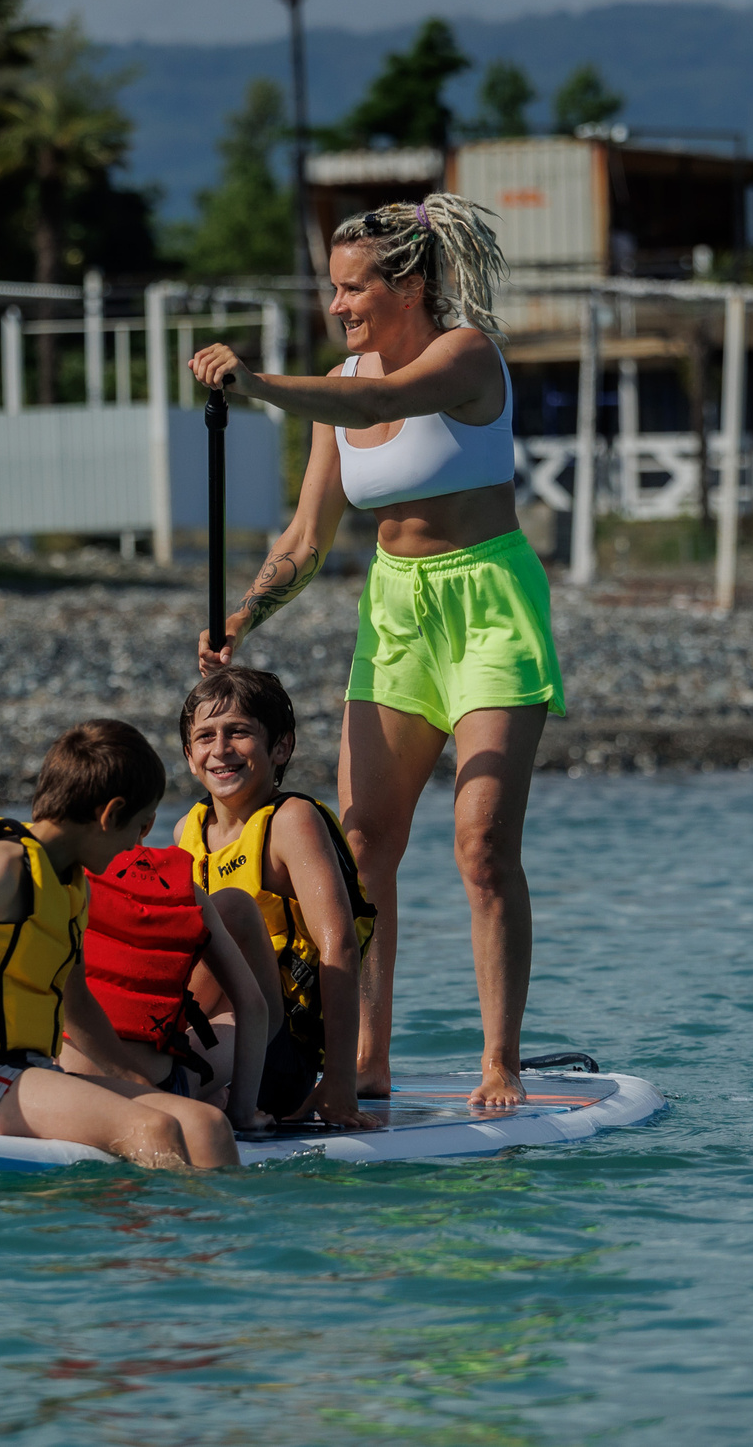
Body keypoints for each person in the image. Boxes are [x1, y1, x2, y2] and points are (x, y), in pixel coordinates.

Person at [188, 193, 563, 1110]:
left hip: (487, 605)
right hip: (396, 613)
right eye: (333, 288)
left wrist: (261, 385)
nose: (339, 305)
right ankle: (364, 1060)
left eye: (353, 288)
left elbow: (385, 398)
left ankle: (500, 1061)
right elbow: (308, 536)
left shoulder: (466, 354)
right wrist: (245, 615)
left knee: (480, 845)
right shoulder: (337, 384)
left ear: (409, 283)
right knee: (361, 849)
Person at [0, 718, 238, 1169]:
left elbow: (75, 998)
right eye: (138, 828)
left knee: (205, 1124)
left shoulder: (68, 885)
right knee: (152, 1129)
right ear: (109, 814)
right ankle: (142, 1238)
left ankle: (221, 1237)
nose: (136, 848)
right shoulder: (4, 867)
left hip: (28, 1071)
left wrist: (138, 1083)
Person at [172, 666, 382, 1130]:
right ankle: (175, 1081)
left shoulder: (291, 822)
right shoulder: (185, 831)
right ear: (189, 755)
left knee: (226, 912)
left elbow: (340, 947)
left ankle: (177, 1083)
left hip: (277, 1053)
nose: (221, 749)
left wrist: (341, 1081)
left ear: (281, 746)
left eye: (239, 733)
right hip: (201, 1029)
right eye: (205, 737)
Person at [61, 839, 277, 1133]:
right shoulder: (189, 892)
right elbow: (254, 1007)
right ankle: (218, 1097)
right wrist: (242, 1114)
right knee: (234, 1019)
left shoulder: (58, 878)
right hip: (157, 1095)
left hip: (65, 1085)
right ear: (148, 821)